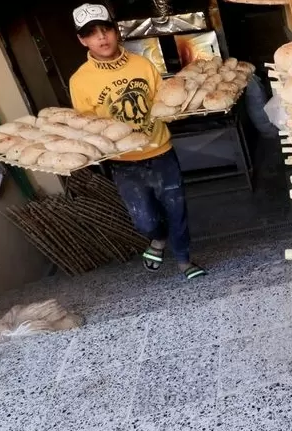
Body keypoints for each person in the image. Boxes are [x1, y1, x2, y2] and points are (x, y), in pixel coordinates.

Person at [68, 3, 206, 280]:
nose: (102, 37)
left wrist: (180, 108)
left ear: (116, 31)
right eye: (92, 33)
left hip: (160, 149)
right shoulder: (80, 80)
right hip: (124, 161)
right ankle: (157, 239)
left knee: (176, 208)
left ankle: (183, 259)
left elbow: (161, 99)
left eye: (105, 29)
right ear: (83, 40)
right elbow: (88, 125)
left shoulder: (142, 64)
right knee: (144, 219)